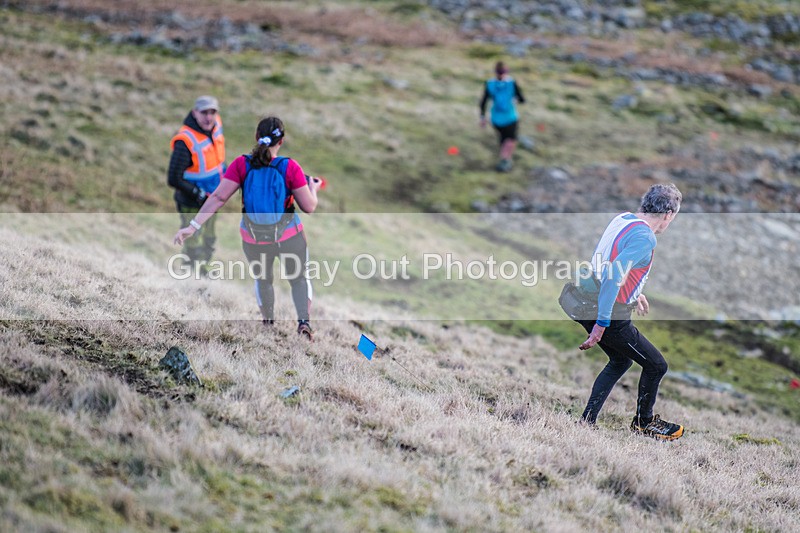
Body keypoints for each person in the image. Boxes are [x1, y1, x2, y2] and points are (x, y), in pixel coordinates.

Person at [173, 116, 322, 340]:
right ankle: (303, 323)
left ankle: (268, 323)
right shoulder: (290, 167)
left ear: (256, 137)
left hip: (254, 239)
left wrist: (193, 226)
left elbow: (219, 196)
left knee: (263, 279)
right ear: (281, 141)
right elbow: (309, 207)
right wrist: (313, 189)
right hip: (290, 235)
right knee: (299, 279)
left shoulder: (241, 165)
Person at [573, 183, 684, 440]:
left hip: (583, 299)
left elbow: (606, 260)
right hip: (608, 313)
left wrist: (634, 292)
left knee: (621, 361)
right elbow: (614, 273)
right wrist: (602, 323)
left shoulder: (622, 219)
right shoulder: (646, 237)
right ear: (668, 214)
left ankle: (587, 422)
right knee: (657, 365)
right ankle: (644, 423)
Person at [168, 95, 226, 275]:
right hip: (191, 203)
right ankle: (189, 277)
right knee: (192, 241)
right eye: (204, 113)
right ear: (195, 113)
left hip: (212, 200)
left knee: (209, 238)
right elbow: (173, 178)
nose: (209, 117)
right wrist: (198, 194)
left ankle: (204, 272)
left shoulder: (216, 127)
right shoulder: (185, 141)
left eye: (213, 112)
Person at [479, 61, 525, 172]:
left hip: (496, 118)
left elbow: (483, 102)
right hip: (509, 117)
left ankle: (505, 159)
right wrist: (515, 100)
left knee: (504, 139)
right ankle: (505, 160)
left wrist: (482, 117)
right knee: (510, 140)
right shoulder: (512, 83)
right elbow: (522, 99)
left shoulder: (489, 84)